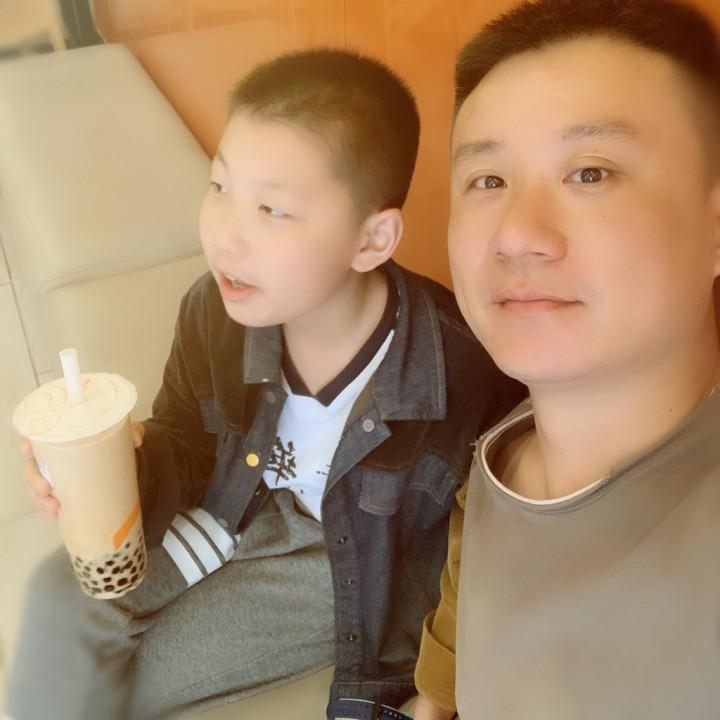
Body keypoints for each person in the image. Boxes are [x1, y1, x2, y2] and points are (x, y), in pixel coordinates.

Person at [5, 49, 524, 720]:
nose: (225, 236)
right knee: (60, 603)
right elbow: (187, 439)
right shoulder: (213, 310)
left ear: (371, 240)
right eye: (219, 187)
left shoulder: (462, 373)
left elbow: (483, 550)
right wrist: (130, 460)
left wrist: (437, 690)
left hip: (335, 557)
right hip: (234, 499)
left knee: (133, 684)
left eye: (273, 209)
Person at [411, 0, 720, 717]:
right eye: (488, 180)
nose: (517, 235)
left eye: (591, 173)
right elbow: (452, 674)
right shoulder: (496, 462)